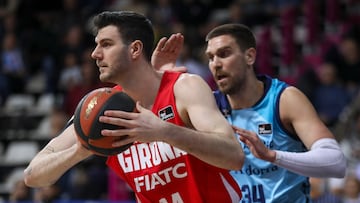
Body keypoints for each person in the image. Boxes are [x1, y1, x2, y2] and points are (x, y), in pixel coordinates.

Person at [23, 11, 245, 203]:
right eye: (96, 45)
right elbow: (33, 175)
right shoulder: (102, 109)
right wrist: (79, 151)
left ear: (135, 49)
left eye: (106, 44)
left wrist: (164, 131)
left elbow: (234, 156)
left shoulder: (184, 88)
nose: (95, 54)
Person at [153, 23, 347, 202]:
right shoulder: (206, 106)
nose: (215, 64)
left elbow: (335, 163)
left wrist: (273, 156)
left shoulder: (284, 99)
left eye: (224, 54)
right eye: (211, 57)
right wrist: (158, 84)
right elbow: (157, 134)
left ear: (250, 56)